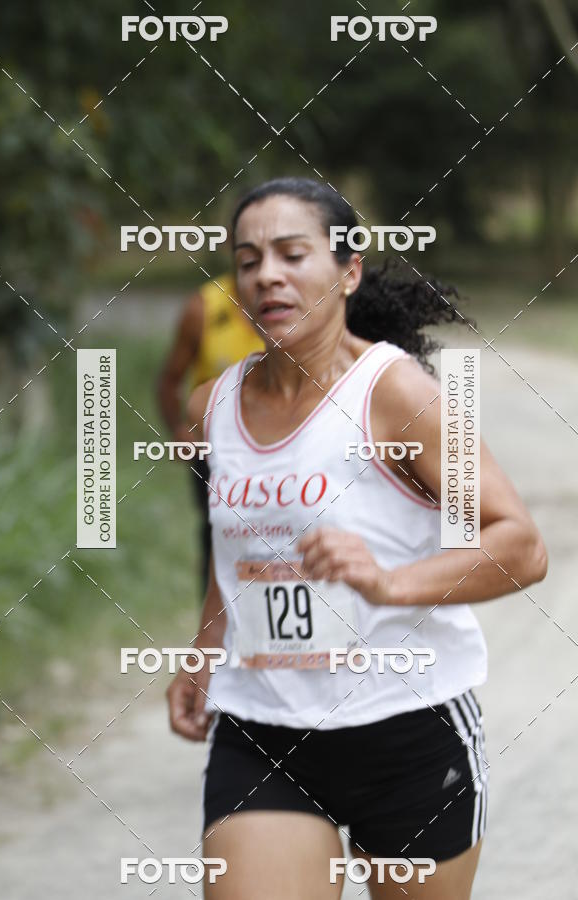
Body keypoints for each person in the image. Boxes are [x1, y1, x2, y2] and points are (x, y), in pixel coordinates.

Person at [165, 177, 548, 899]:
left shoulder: (398, 396)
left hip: (408, 730)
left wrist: (390, 582)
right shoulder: (209, 406)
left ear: (348, 270)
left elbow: (521, 545)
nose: (267, 274)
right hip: (265, 730)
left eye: (290, 253)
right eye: (248, 261)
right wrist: (205, 649)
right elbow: (238, 549)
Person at [157, 272, 264, 599]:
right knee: (221, 534)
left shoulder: (295, 302)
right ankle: (216, 631)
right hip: (216, 452)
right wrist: (179, 428)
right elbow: (170, 380)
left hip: (279, 445)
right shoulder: (203, 307)